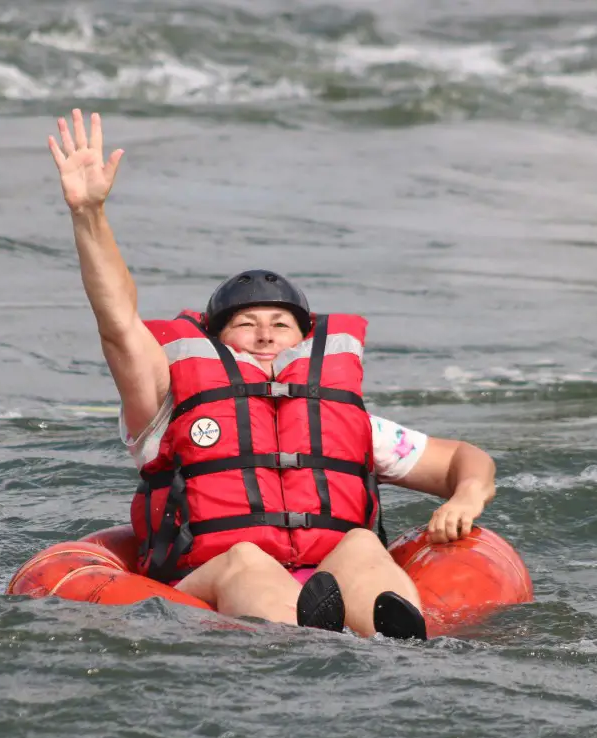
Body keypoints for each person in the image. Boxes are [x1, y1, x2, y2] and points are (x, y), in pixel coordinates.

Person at [47, 109, 497, 640]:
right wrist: (88, 213)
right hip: (214, 584)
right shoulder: (164, 406)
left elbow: (466, 460)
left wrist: (465, 497)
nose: (265, 336)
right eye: (246, 324)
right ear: (217, 341)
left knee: (359, 544)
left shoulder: (350, 424)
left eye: (280, 325)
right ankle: (297, 637)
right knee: (246, 558)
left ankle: (398, 639)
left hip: (328, 577)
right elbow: (119, 325)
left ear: (304, 340)